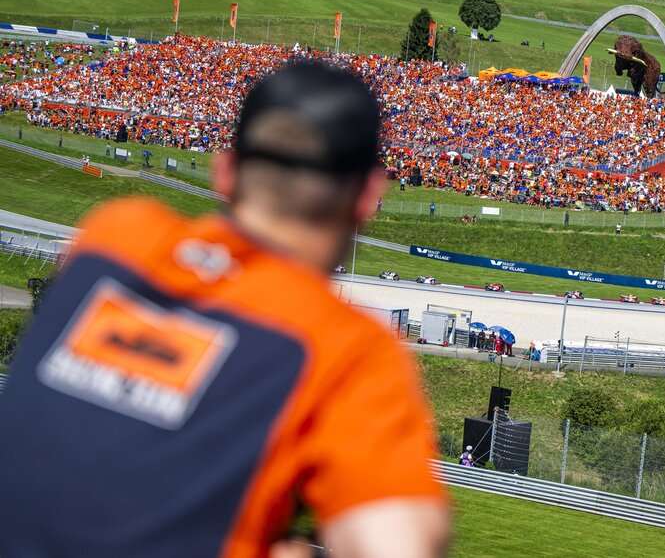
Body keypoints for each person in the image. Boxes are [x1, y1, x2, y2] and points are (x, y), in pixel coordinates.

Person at [0, 62, 449, 558]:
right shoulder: (348, 348)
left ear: (225, 170)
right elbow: (398, 546)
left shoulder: (114, 235)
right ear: (368, 198)